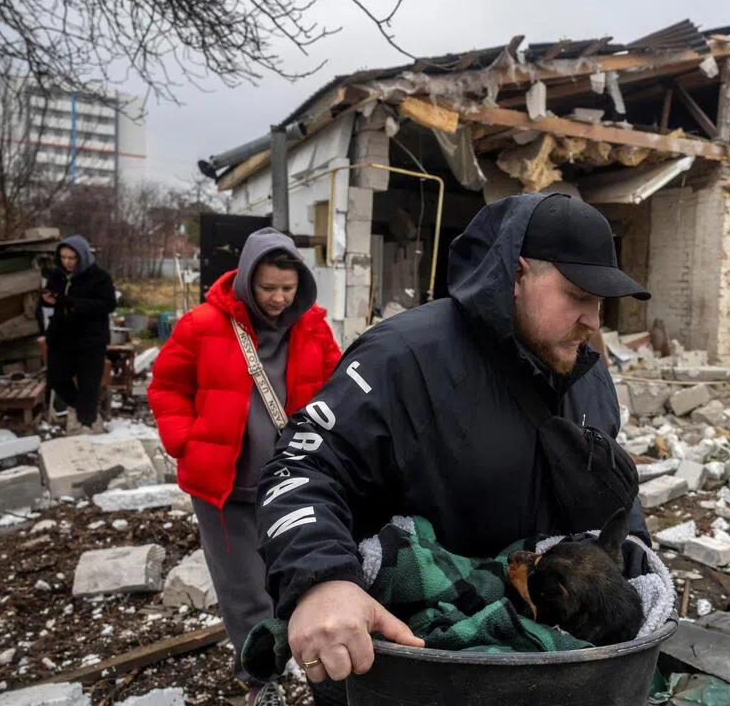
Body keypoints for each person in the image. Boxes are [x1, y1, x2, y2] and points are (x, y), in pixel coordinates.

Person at [255, 192, 652, 704]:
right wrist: (320, 581)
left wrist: (633, 554)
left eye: (601, 301)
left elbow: (614, 499)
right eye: (577, 295)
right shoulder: (402, 360)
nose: (594, 321)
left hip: (542, 666)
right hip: (414, 666)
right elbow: (300, 467)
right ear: (516, 273)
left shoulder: (587, 379)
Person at [148, 228, 341, 706]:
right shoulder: (201, 325)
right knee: (242, 590)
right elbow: (166, 386)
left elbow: (340, 392)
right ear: (247, 282)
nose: (277, 299)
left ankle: (318, 669)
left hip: (292, 483)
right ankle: (261, 681)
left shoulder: (313, 328)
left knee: (299, 578)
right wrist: (186, 441)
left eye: (287, 289)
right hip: (224, 488)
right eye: (267, 288)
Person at [43, 235, 116, 433]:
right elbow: (52, 298)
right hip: (61, 338)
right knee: (57, 378)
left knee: (88, 385)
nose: (67, 262)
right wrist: (47, 300)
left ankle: (87, 426)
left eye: (72, 258)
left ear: (82, 257)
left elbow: (108, 304)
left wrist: (75, 304)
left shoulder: (99, 277)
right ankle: (83, 410)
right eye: (63, 257)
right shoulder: (56, 275)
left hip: (90, 340)